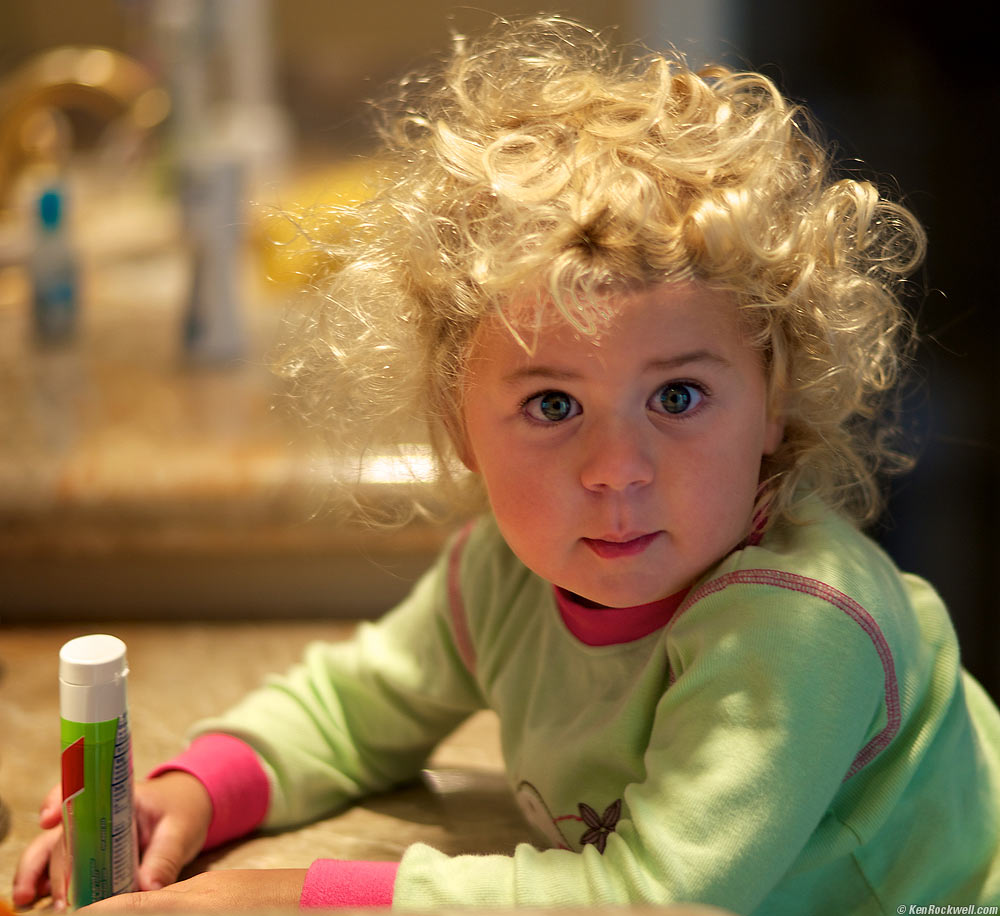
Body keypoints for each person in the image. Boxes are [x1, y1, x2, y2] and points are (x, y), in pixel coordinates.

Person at [14, 15, 1000, 914]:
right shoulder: (504, 569)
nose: (617, 468)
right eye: (551, 404)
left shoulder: (798, 625)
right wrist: (193, 788)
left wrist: (273, 898)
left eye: (677, 396)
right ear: (456, 424)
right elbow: (355, 704)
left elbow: (655, 897)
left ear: (772, 399)